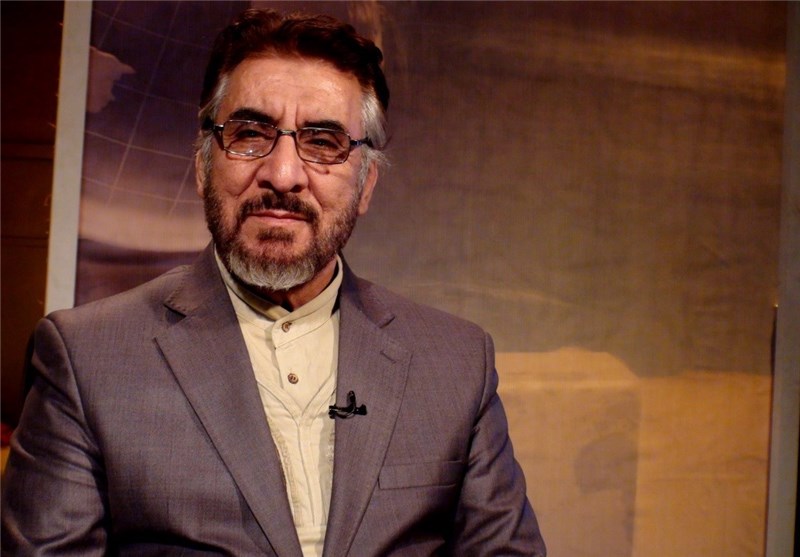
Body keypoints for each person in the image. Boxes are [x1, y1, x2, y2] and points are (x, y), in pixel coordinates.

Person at [1, 9, 546, 556]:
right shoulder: (87, 359)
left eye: (323, 142)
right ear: (203, 168)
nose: (283, 175)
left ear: (366, 184)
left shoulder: (455, 363)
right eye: (249, 134)